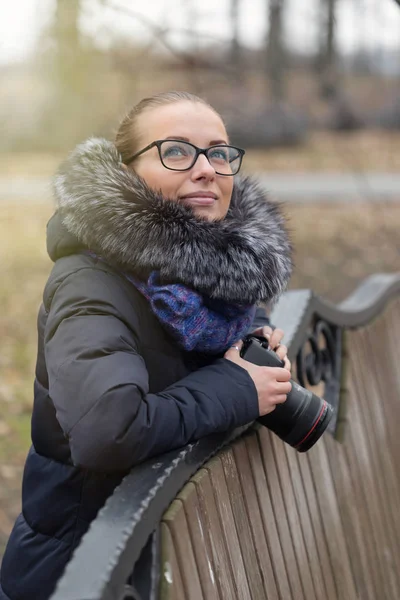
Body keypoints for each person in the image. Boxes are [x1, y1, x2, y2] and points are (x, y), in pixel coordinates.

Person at [0, 91, 292, 600]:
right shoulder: (90, 283)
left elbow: (204, 332)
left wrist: (252, 338)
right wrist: (236, 387)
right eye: (176, 151)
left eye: (219, 153)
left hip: (170, 558)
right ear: (127, 171)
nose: (206, 170)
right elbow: (107, 429)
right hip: (83, 573)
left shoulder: (213, 273)